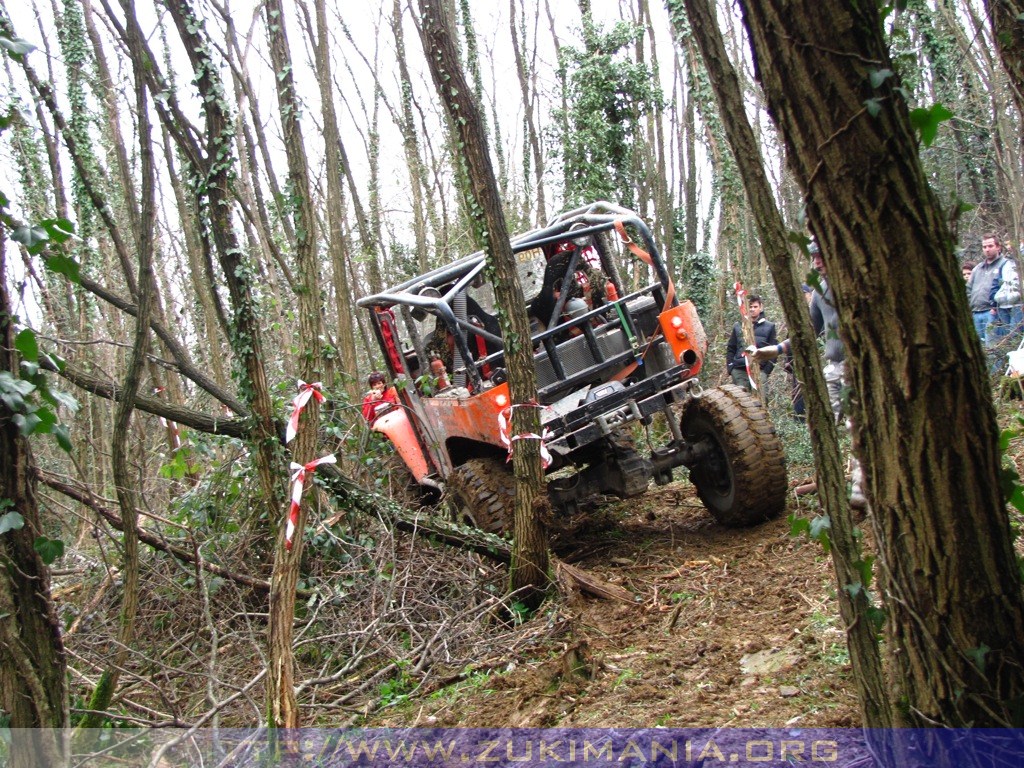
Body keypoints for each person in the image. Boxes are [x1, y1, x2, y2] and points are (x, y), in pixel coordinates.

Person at [748, 241, 866, 510]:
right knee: (821, 422)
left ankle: (861, 489)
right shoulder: (820, 290)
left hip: (857, 366)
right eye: (813, 257)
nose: (817, 262)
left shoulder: (852, 282)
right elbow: (806, 332)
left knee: (858, 428)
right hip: (834, 367)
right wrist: (774, 350)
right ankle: (830, 484)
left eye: (821, 256)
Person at [967, 233, 1022, 374]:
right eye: (984, 246)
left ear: (998, 247)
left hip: (992, 311)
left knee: (993, 347)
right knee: (979, 348)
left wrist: (994, 307)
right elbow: (968, 289)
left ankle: (995, 376)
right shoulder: (977, 268)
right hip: (975, 312)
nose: (987, 249)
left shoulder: (1005, 265)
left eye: (990, 246)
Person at [725, 293, 777, 389]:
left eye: (755, 306)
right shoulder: (738, 326)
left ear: (760, 308)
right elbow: (731, 348)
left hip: (759, 370)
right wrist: (731, 368)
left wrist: (766, 371)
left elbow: (774, 351)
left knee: (760, 401)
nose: (752, 309)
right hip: (739, 370)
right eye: (750, 306)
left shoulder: (770, 327)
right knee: (741, 401)